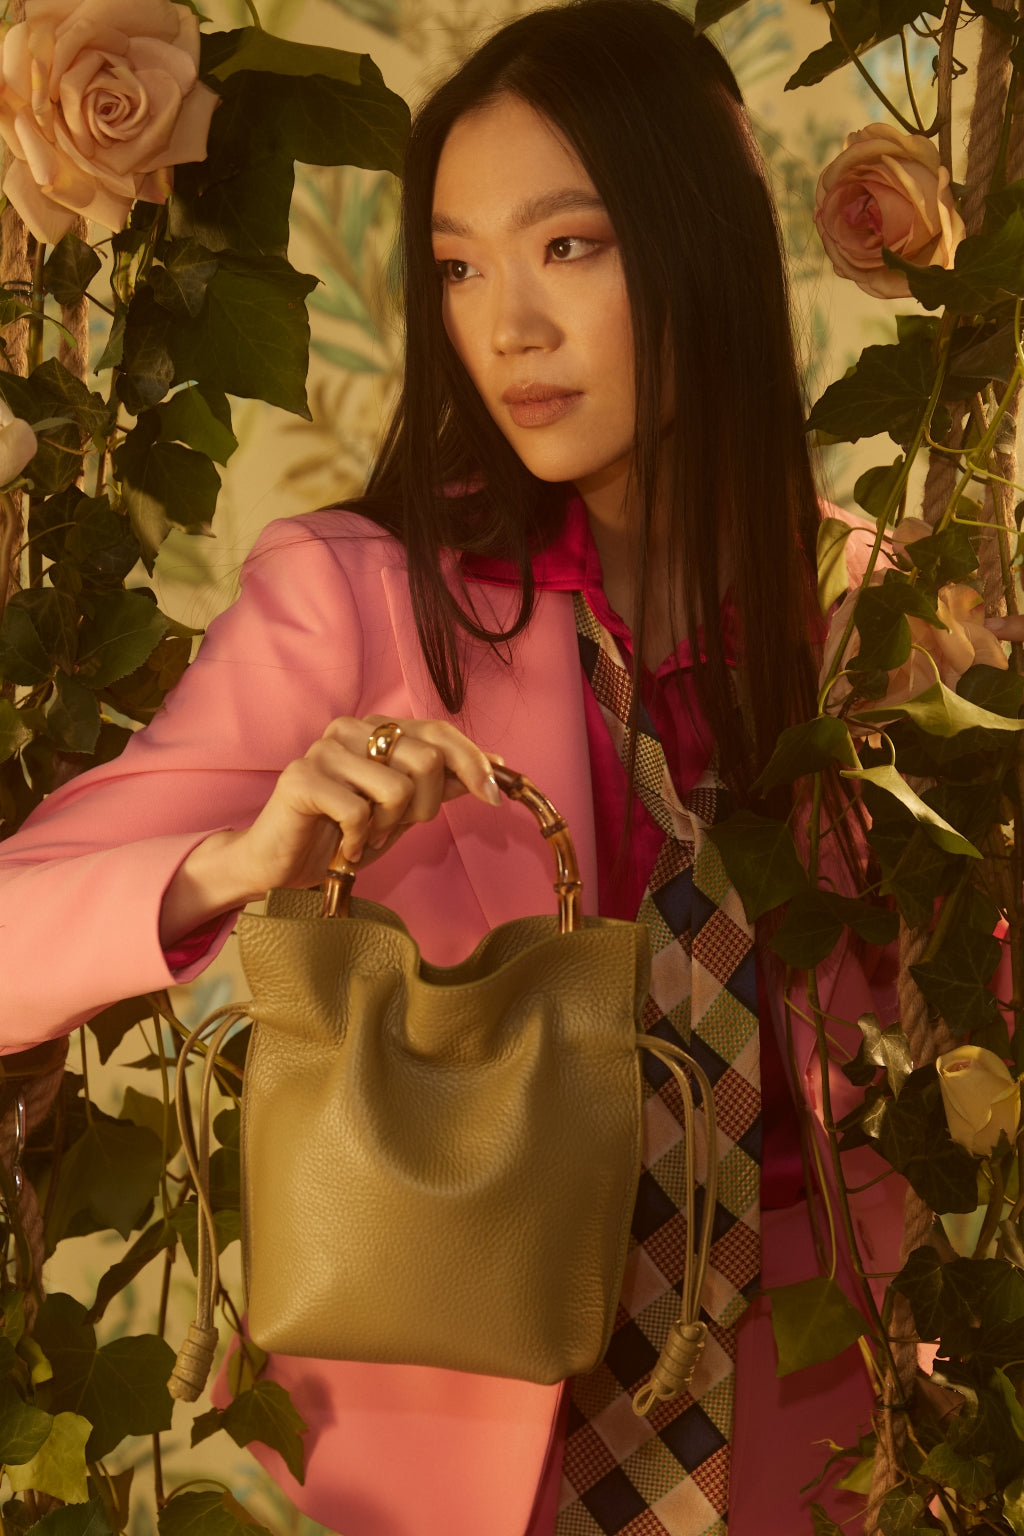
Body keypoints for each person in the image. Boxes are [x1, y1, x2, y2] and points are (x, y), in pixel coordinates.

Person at [0, 2, 909, 1531]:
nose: (508, 327)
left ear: (702, 242)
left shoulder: (878, 615)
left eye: (571, 248)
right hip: (457, 1455)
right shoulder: (356, 595)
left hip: (820, 1428)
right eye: (459, 264)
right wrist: (237, 863)